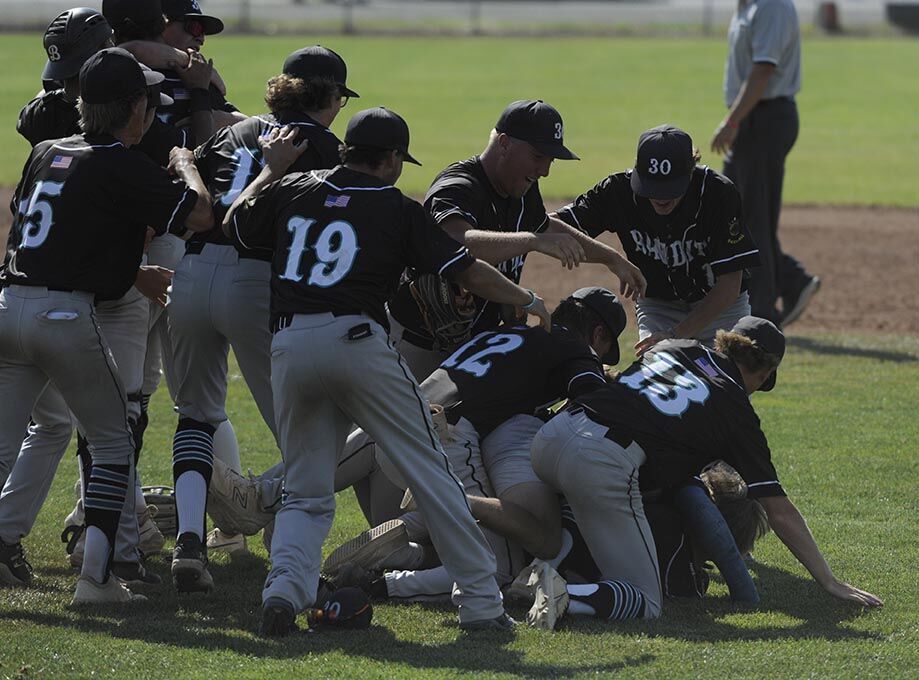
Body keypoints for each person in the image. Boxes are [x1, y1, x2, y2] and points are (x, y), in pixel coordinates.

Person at [222, 106, 555, 636]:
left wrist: (271, 169)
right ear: (394, 159)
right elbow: (466, 270)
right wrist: (526, 296)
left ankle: (283, 592)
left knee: (307, 489)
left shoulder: (294, 189)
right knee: (432, 473)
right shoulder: (398, 208)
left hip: (288, 344)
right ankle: (481, 604)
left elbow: (236, 223)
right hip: (357, 343)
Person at [0, 47, 213, 602]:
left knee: (4, 444)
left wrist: (131, 271)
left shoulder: (46, 150)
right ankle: (97, 580)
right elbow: (199, 214)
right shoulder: (121, 162)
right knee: (114, 441)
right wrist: (187, 166)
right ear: (135, 110)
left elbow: (65, 230)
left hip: (8, 305)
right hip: (64, 317)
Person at [527, 316, 883, 626]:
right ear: (765, 371)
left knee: (587, 506)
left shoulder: (676, 346)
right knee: (646, 601)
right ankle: (562, 594)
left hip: (552, 436)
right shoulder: (736, 410)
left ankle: (525, 572)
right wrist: (829, 581)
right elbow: (779, 510)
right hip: (599, 460)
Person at [165, 45, 360, 578]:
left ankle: (188, 544)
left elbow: (192, 197)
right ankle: (288, 559)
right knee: (299, 429)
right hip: (256, 283)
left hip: (190, 274)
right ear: (332, 97)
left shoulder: (237, 131)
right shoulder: (324, 147)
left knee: (195, 414)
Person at [387, 99, 645, 380]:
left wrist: (611, 258)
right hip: (416, 345)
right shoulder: (458, 187)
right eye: (538, 156)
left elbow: (547, 229)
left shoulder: (521, 187)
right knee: (389, 424)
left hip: (469, 348)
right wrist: (530, 241)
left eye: (550, 160)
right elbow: (454, 241)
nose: (544, 170)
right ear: (505, 143)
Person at [556, 124, 761, 357]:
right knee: (659, 377)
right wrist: (610, 258)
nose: (661, 196)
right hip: (658, 306)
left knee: (727, 382)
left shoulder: (718, 193)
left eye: (671, 187)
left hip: (719, 307)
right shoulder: (617, 192)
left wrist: (676, 335)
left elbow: (730, 286)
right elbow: (552, 227)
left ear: (691, 171)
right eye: (652, 186)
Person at [710, 0, 819, 326]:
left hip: (764, 119)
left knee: (751, 221)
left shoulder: (770, 5)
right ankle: (790, 280)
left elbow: (763, 69)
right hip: (754, 119)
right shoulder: (748, 5)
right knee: (733, 211)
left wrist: (732, 121)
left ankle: (761, 315)